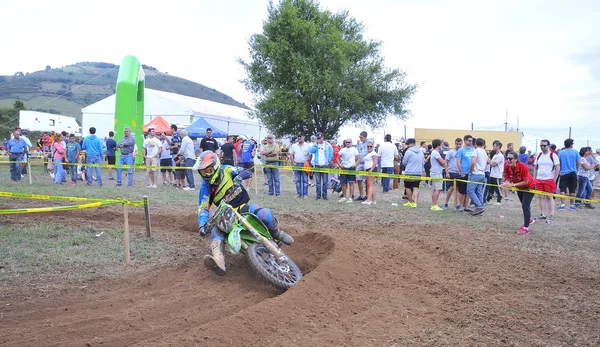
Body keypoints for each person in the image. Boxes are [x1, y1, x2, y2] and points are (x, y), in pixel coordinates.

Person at [194, 151, 294, 276]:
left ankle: (277, 233)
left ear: (215, 166)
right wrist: (202, 225)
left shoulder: (227, 170)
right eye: (202, 172)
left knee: (265, 214)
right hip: (226, 214)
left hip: (242, 206)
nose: (205, 175)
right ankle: (218, 261)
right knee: (216, 231)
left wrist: (239, 177)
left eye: (208, 171)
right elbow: (203, 208)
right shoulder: (205, 187)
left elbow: (246, 171)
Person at [503, 152, 537, 234]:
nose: (508, 160)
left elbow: (526, 182)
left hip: (529, 187)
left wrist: (512, 185)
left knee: (525, 206)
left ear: (516, 159)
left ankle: (526, 228)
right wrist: (506, 183)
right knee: (525, 205)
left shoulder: (523, 166)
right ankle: (529, 220)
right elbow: (508, 178)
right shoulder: (507, 166)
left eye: (510, 158)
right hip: (519, 188)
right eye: (507, 158)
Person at [533, 139, 560, 221]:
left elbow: (557, 167)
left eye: (544, 145)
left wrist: (554, 179)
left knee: (549, 197)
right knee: (541, 197)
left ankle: (552, 214)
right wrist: (534, 178)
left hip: (549, 179)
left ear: (548, 146)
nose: (542, 147)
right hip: (539, 179)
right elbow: (535, 167)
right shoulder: (539, 155)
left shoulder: (553, 155)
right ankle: (542, 214)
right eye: (541, 146)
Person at [309, 132, 333, 200]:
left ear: (323, 138)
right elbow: (311, 151)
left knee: (325, 181)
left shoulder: (327, 145)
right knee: (318, 181)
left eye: (320, 138)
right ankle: (318, 195)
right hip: (317, 165)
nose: (319, 139)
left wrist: (328, 161)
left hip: (325, 165)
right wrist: (316, 144)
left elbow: (331, 153)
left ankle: (325, 195)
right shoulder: (315, 145)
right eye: (317, 138)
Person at [557, 138, 580, 210]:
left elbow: (559, 163)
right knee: (572, 189)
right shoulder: (575, 152)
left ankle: (562, 205)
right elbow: (578, 163)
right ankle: (571, 206)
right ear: (571, 144)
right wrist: (576, 169)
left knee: (562, 189)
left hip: (564, 173)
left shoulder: (561, 152)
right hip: (573, 172)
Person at [401, 138, 424, 207]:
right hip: (418, 172)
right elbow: (423, 162)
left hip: (409, 172)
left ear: (411, 144)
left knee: (407, 187)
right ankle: (415, 203)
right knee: (416, 187)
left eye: (408, 144)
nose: (407, 145)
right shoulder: (421, 152)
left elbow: (404, 162)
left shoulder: (408, 151)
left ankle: (410, 201)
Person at [467, 138, 488, 216]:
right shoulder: (484, 152)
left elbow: (473, 162)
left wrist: (471, 171)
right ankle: (480, 207)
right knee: (479, 192)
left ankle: (479, 207)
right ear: (483, 144)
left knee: (470, 191)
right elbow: (486, 164)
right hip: (482, 174)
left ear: (475, 144)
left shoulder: (475, 151)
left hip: (475, 173)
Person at [337, 138, 360, 202]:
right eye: (346, 142)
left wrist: (355, 165)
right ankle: (344, 197)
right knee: (343, 183)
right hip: (344, 167)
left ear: (351, 142)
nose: (347, 143)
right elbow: (337, 158)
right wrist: (340, 165)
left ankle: (350, 197)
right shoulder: (342, 150)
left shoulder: (354, 149)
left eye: (349, 142)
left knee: (351, 183)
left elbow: (358, 158)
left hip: (351, 167)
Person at [430, 139, 449, 210]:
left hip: (434, 172)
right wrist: (446, 160)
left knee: (434, 189)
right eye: (441, 145)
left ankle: (433, 204)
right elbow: (443, 162)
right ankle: (434, 205)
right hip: (437, 172)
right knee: (438, 189)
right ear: (438, 145)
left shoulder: (434, 152)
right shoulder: (436, 153)